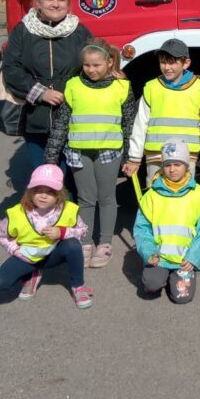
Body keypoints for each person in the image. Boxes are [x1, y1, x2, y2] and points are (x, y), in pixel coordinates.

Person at [43, 40, 136, 269]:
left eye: (96, 65)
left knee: (107, 198)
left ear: (109, 62)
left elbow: (129, 124)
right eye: (86, 65)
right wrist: (52, 153)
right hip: (78, 151)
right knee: (86, 199)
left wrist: (129, 157)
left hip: (109, 152)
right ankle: (85, 242)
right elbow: (62, 122)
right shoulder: (73, 85)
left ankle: (104, 244)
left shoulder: (122, 87)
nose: (91, 70)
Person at [2, 0, 92, 183]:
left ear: (68, 4)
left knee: (72, 177)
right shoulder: (24, 30)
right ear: (38, 3)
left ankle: (71, 213)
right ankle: (44, 214)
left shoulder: (79, 31)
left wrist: (111, 73)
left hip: (71, 116)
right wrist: (41, 93)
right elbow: (11, 68)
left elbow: (94, 64)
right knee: (44, 176)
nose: (56, 3)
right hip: (35, 116)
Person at [0, 164, 94, 309]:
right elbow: (1, 235)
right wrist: (15, 250)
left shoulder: (68, 209)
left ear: (59, 195)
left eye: (50, 192)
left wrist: (62, 232)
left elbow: (83, 230)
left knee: (73, 244)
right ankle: (32, 274)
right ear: (30, 192)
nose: (43, 195)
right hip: (27, 256)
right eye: (38, 191)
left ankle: (78, 286)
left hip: (54, 253)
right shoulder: (17, 213)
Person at [133, 139, 200, 304]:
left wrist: (193, 258)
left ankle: (175, 277)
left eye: (177, 164)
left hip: (185, 261)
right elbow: (142, 229)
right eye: (168, 165)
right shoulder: (151, 195)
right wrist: (149, 253)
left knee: (182, 297)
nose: (172, 169)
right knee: (152, 284)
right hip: (159, 258)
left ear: (186, 165)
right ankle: (158, 277)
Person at [123, 38, 200, 184]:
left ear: (186, 63)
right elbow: (140, 125)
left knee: (184, 197)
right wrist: (134, 158)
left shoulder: (199, 89)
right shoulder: (152, 88)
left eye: (172, 62)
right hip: (156, 156)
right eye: (163, 62)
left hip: (187, 156)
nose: (167, 67)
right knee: (156, 196)